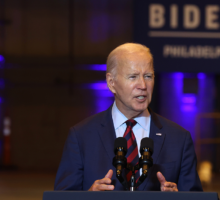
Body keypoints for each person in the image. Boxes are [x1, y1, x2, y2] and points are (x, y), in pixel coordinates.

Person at [54, 43, 202, 192]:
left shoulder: (179, 139)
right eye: (133, 77)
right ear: (111, 83)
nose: (143, 85)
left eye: (148, 76)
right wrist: (88, 197)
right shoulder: (81, 136)